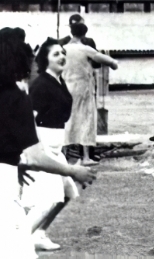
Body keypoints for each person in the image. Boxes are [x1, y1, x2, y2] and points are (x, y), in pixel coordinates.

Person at [0, 27, 96, 259]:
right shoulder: (17, 96)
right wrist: (73, 170)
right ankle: (36, 235)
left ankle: (38, 234)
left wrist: (17, 161)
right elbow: (34, 156)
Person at [22, 39, 80, 252]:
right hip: (43, 146)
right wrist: (34, 150)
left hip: (56, 146)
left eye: (63, 52)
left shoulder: (58, 80)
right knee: (46, 201)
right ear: (45, 59)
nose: (62, 56)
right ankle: (14, 241)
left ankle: (39, 233)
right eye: (56, 54)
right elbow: (28, 120)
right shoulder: (40, 85)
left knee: (66, 192)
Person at [62, 23, 119, 165]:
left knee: (67, 120)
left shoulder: (63, 49)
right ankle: (86, 157)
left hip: (66, 87)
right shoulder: (85, 48)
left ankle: (63, 155)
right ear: (84, 34)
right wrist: (114, 64)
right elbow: (107, 60)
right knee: (86, 119)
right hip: (83, 89)